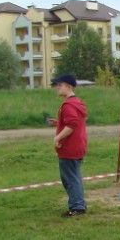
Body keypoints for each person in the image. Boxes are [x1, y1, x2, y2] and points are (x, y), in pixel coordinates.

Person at [49, 74, 88, 217]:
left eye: (60, 85)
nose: (57, 88)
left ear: (69, 86)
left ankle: (77, 207)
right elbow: (74, 121)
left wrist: (57, 137)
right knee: (74, 177)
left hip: (69, 148)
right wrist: (58, 123)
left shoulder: (68, 105)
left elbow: (72, 124)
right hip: (78, 146)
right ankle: (79, 204)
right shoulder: (77, 103)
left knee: (70, 179)